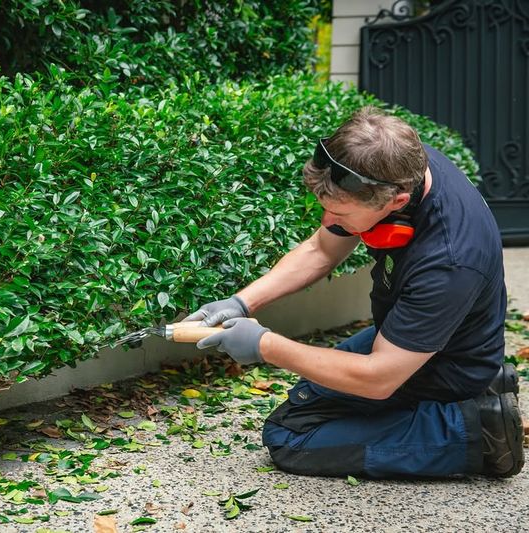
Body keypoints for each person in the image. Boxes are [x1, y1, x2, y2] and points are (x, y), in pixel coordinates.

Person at [187, 106, 524, 478]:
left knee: (291, 436)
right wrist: (240, 302)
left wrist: (264, 344)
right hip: (408, 336)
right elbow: (321, 250)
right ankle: (489, 384)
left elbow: (378, 378)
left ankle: (475, 429)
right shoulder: (398, 164)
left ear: (396, 201)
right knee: (310, 403)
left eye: (341, 215)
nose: (329, 222)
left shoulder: (449, 261)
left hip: (441, 364)